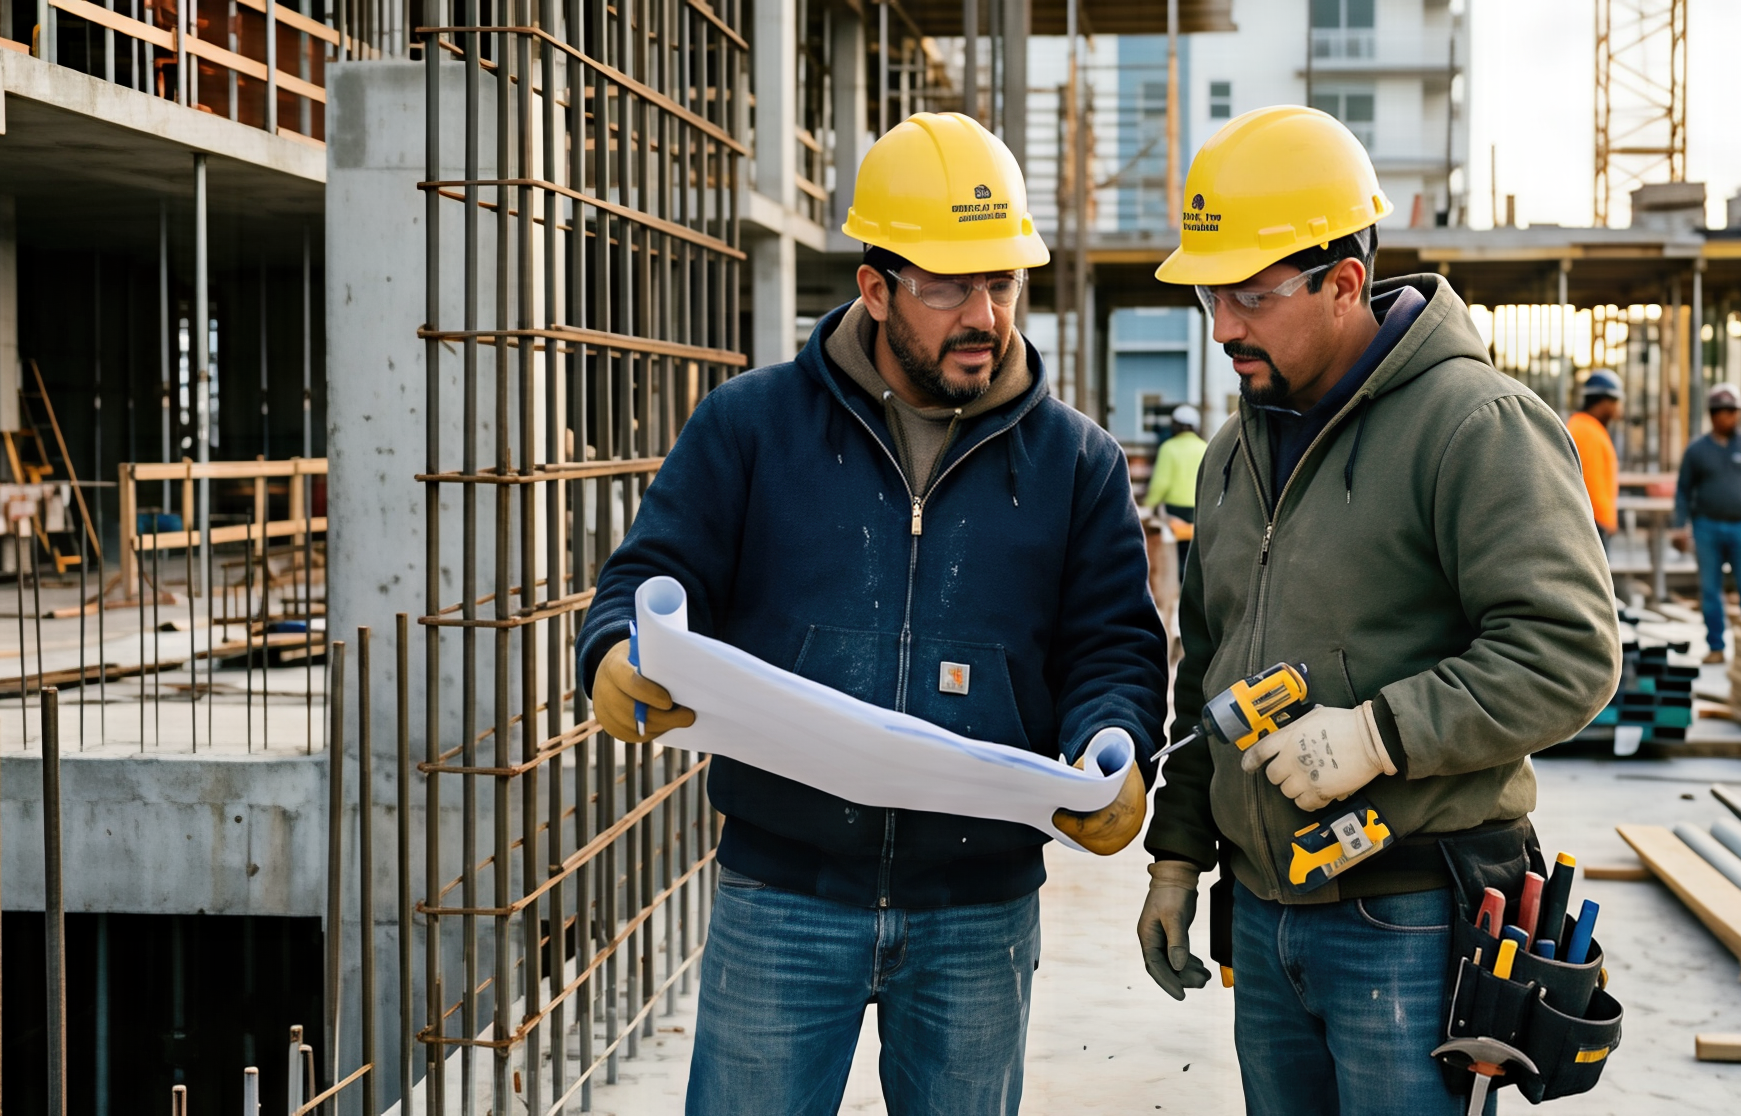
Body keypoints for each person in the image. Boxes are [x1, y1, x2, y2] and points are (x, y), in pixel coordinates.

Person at [576, 112, 1168, 1116]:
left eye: (1001, 283)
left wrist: (1114, 747)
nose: (983, 314)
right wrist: (615, 657)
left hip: (976, 912)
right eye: (947, 287)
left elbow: (1110, 644)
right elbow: (647, 575)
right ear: (875, 287)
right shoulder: (750, 428)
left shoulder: (1078, 466)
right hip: (783, 897)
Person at [1136, 105, 1619, 1116]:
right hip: (1264, 916)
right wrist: (1177, 857)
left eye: (1249, 298)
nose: (1223, 327)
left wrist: (1378, 735)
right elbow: (1209, 675)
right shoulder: (1233, 453)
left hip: (1406, 914)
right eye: (1209, 301)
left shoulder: (1472, 425)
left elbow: (1565, 653)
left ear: (1343, 282)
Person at [1673, 383, 1741, 663]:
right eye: (1724, 411)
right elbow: (1683, 490)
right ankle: (1716, 646)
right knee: (1710, 591)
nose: (1730, 417)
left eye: (1734, 411)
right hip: (1707, 527)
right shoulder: (1697, 451)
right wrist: (1679, 525)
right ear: (1713, 414)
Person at [1144, 402, 1208, 571]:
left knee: (1177, 555)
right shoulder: (1205, 447)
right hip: (1198, 508)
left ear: (1175, 424)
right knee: (1193, 554)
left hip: (1174, 511)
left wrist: (1148, 505)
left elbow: (1161, 483)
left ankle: (1178, 589)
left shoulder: (1168, 448)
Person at [1566, 371, 1623, 539]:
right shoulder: (1587, 431)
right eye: (1615, 402)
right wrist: (1605, 521)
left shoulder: (1585, 426)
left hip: (1592, 522)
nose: (1617, 408)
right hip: (1595, 524)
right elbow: (1591, 480)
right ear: (1604, 401)